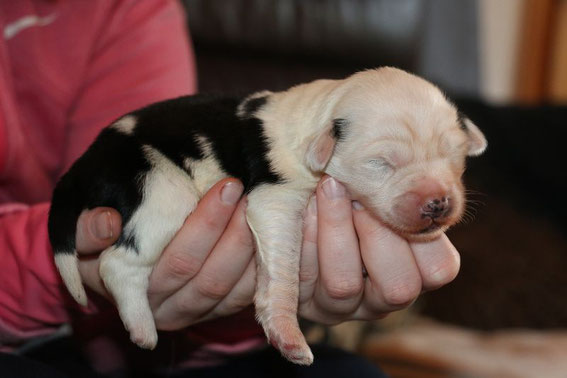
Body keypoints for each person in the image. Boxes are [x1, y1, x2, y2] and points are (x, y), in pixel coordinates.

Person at [0, 0, 460, 376]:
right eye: (383, 162)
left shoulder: (126, 9)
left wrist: (240, 314)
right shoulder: (287, 155)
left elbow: (117, 194)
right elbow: (113, 203)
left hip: (180, 333)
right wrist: (57, 262)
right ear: (324, 146)